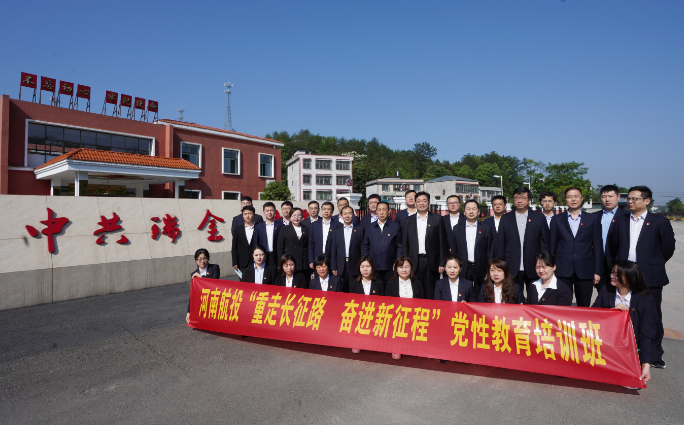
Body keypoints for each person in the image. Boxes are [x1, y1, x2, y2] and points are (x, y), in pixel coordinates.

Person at [612, 185, 676, 369]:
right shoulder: (621, 220)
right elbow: (613, 245)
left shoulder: (659, 222)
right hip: (625, 275)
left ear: (647, 201)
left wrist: (652, 263)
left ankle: (654, 354)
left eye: (635, 199)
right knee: (624, 311)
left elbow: (668, 248)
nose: (630, 202)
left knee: (652, 315)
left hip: (650, 275)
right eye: (629, 199)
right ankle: (624, 351)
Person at [592, 260, 657, 384]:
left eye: (617, 274)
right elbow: (592, 315)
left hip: (631, 349)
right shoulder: (606, 290)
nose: (612, 276)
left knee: (632, 382)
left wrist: (646, 364)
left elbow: (647, 333)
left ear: (630, 277)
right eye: (612, 272)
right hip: (605, 344)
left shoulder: (646, 300)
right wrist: (611, 312)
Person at [549, 187, 603, 307]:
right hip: (562, 269)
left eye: (576, 196)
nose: (573, 199)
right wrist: (551, 268)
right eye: (569, 197)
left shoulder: (593, 219)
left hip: (585, 269)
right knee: (562, 305)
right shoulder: (557, 220)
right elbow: (552, 246)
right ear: (565, 200)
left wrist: (597, 271)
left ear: (581, 199)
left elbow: (598, 247)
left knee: (584, 305)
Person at [496, 186, 549, 302]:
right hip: (511, 266)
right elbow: (500, 243)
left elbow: (545, 242)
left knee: (534, 299)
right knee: (513, 298)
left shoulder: (539, 217)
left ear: (529, 200)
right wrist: (501, 265)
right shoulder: (505, 218)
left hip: (534, 265)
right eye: (516, 198)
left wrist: (545, 263)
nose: (519, 200)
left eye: (523, 198)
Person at [403, 191, 447, 300]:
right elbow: (405, 244)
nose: (421, 203)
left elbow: (442, 242)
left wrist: (442, 263)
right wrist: (405, 262)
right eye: (419, 201)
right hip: (414, 261)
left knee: (431, 291)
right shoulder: (408, 221)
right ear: (415, 203)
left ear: (429, 202)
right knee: (416, 291)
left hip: (431, 261)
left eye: (424, 201)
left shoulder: (437, 219)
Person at [385, 255, 424, 360]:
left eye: (407, 266)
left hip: (413, 317)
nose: (404, 269)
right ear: (396, 269)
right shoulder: (391, 284)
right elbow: (388, 305)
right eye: (401, 267)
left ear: (411, 268)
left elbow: (422, 303)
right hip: (397, 318)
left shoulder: (418, 283)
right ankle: (397, 346)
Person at [452, 199, 494, 295]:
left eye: (474, 209)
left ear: (478, 211)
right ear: (464, 211)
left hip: (480, 268)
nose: (471, 211)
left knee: (481, 294)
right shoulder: (457, 228)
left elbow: (490, 251)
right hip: (463, 267)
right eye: (468, 209)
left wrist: (489, 271)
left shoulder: (486, 229)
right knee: (463, 294)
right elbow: (454, 250)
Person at [592, 185, 628, 295]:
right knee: (602, 294)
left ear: (618, 197)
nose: (607, 199)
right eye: (604, 196)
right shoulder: (593, 217)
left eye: (611, 196)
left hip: (619, 263)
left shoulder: (627, 216)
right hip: (598, 264)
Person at [349, 256, 384, 354]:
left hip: (374, 316)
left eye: (368, 266)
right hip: (359, 317)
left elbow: (382, 303)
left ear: (372, 267)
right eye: (362, 266)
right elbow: (351, 304)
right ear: (359, 268)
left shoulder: (379, 283)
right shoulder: (354, 284)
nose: (365, 269)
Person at [362, 201, 402, 286]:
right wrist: (367, 262)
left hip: (390, 266)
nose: (381, 212)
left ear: (389, 211)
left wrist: (397, 261)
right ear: (376, 211)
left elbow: (400, 246)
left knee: (390, 289)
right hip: (374, 265)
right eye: (379, 210)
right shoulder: (370, 227)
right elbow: (365, 246)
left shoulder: (395, 227)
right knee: (376, 289)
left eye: (384, 209)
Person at [331, 205, 365, 292]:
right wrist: (334, 267)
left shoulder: (360, 230)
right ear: (341, 216)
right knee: (340, 291)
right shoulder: (336, 230)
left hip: (355, 265)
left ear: (353, 215)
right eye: (345, 214)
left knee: (354, 290)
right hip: (340, 266)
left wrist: (362, 265)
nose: (347, 216)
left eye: (349, 213)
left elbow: (362, 249)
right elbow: (333, 250)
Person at [186, 248, 220, 324]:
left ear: (208, 258)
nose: (202, 261)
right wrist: (189, 311)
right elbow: (193, 294)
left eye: (205, 258)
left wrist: (201, 277)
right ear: (196, 260)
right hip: (202, 303)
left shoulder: (214, 268)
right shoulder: (194, 274)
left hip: (213, 300)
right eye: (200, 259)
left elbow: (214, 282)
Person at [276, 208, 310, 280]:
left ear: (302, 217)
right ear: (290, 217)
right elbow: (280, 247)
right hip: (290, 262)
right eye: (294, 215)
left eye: (299, 215)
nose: (296, 218)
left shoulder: (307, 229)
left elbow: (310, 246)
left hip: (304, 262)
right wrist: (281, 263)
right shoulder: (284, 229)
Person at [308, 201, 338, 269]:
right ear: (321, 211)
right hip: (317, 258)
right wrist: (311, 261)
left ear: (332, 211)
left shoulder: (337, 225)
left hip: (331, 258)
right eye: (324, 209)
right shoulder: (314, 225)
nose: (326, 211)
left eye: (328, 209)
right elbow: (311, 244)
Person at [232, 205, 258, 278]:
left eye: (250, 213)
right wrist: (235, 262)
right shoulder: (238, 229)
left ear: (254, 215)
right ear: (242, 215)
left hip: (257, 261)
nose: (247, 216)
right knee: (243, 282)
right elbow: (234, 246)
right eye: (245, 214)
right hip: (242, 262)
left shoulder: (259, 227)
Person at [255, 202, 282, 267]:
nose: (269, 212)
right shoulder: (258, 227)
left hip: (276, 256)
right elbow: (256, 243)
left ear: (275, 212)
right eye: (267, 211)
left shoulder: (281, 226)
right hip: (263, 256)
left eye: (271, 210)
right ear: (264, 213)